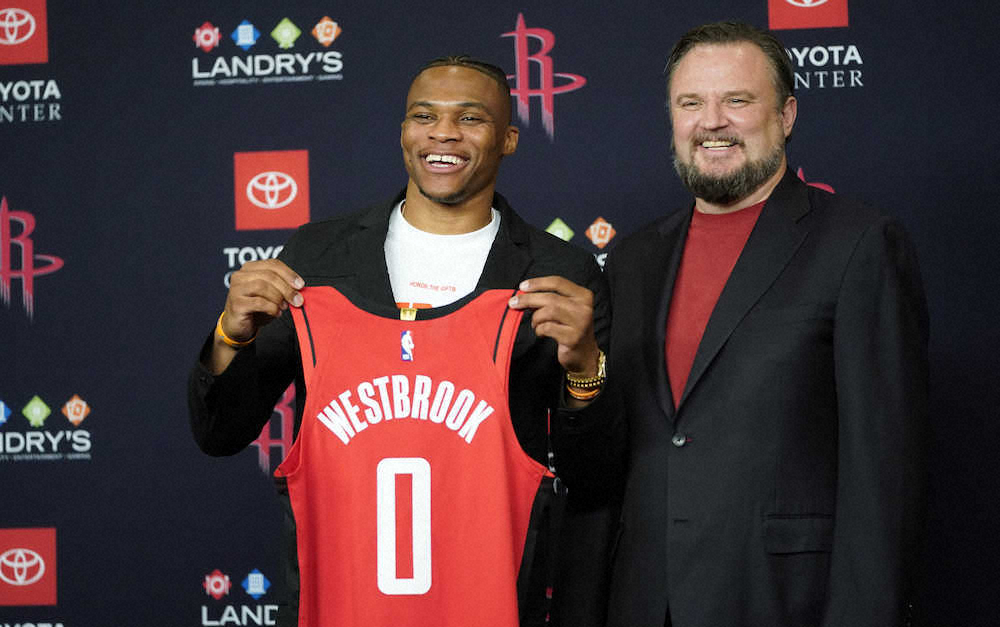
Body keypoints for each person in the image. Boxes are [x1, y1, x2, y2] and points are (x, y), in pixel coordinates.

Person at [187, 56, 618, 626]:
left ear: (508, 139)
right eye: (425, 116)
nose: (444, 133)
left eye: (470, 118)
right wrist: (228, 336)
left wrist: (585, 370)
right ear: (403, 132)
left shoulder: (558, 273)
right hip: (341, 601)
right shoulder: (318, 258)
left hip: (491, 599)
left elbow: (593, 476)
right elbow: (220, 432)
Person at [600, 22, 929, 627]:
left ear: (786, 115)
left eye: (738, 100)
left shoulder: (859, 244)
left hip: (783, 600)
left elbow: (885, 472)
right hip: (645, 601)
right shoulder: (634, 259)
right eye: (691, 103)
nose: (712, 122)